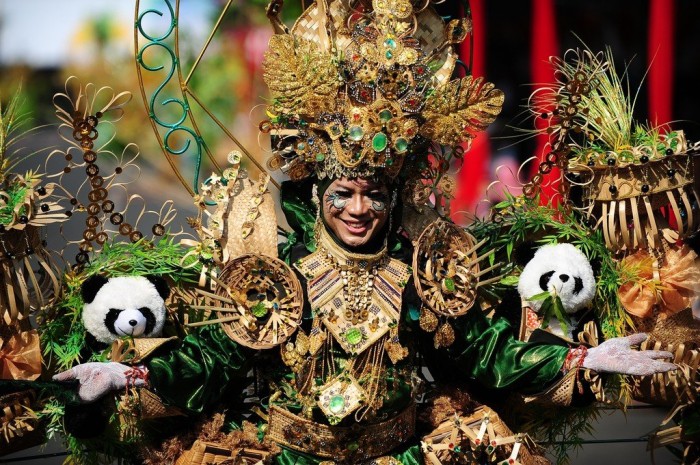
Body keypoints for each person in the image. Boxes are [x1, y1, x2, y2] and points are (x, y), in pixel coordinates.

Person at [54, 1, 677, 463]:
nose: (358, 209)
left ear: (394, 193)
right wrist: (129, 374)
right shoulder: (275, 265)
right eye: (343, 194)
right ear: (318, 192)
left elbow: (482, 352)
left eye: (373, 194)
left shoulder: (423, 268)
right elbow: (214, 360)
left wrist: (582, 355)